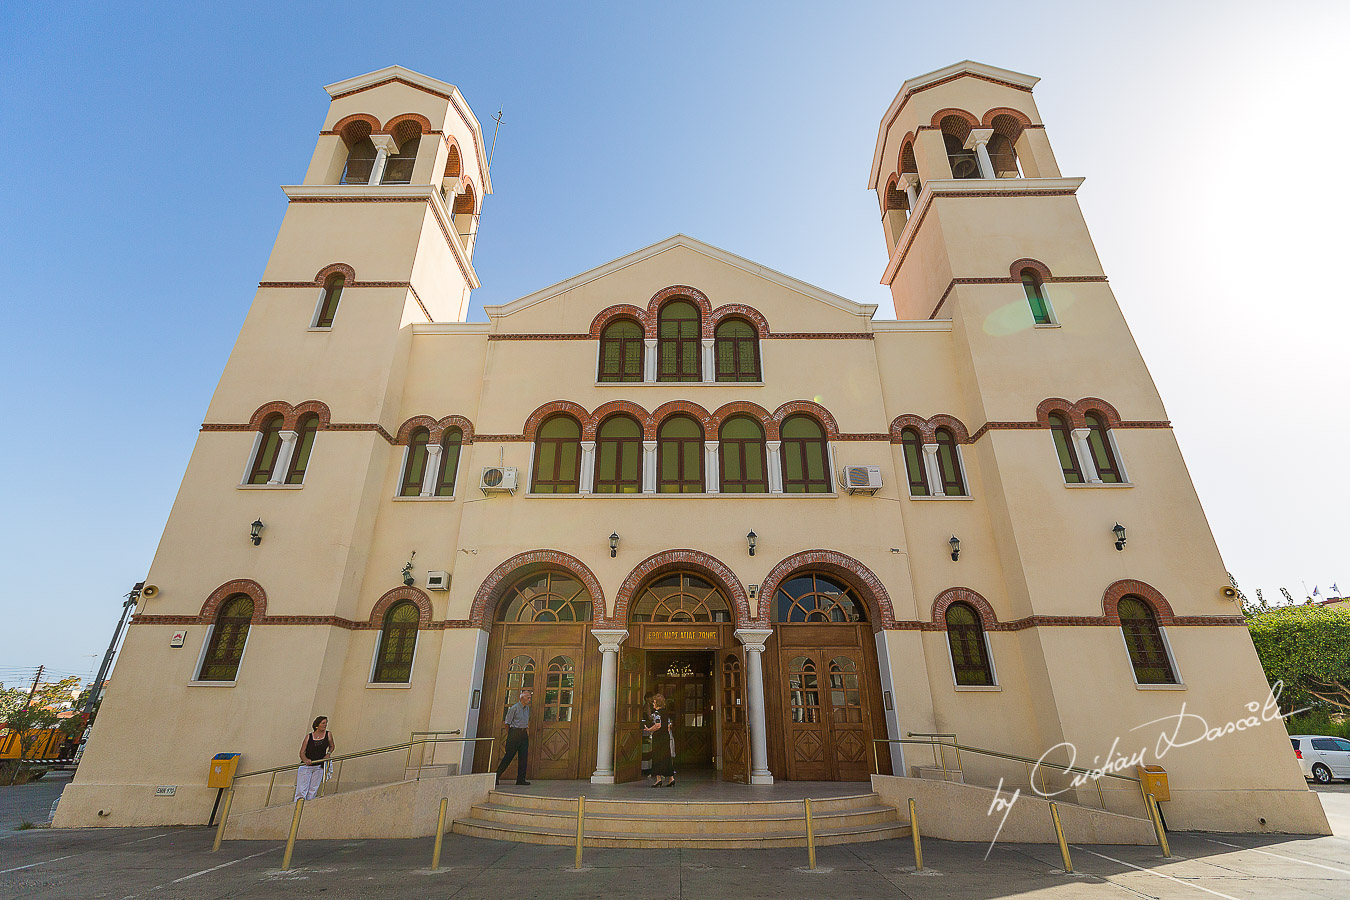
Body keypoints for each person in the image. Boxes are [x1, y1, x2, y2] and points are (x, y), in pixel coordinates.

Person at [495, 688, 533, 785]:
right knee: (509, 756)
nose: (529, 700)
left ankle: (521, 779)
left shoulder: (527, 708)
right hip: (514, 733)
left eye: (530, 698)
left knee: (523, 757)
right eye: (528, 698)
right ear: (522, 698)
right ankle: (496, 776)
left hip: (523, 733)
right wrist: (511, 734)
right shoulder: (514, 708)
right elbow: (507, 723)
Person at [295, 716, 334, 801]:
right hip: (307, 766)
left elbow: (332, 746)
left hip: (319, 765)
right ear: (317, 725)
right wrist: (305, 760)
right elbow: (302, 752)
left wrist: (328, 754)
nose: (325, 725)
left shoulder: (328, 734)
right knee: (302, 788)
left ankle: (309, 804)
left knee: (313, 788)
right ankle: (298, 805)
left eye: (326, 723)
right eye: (323, 723)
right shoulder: (309, 736)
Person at [644, 693, 675, 787]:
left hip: (658, 737)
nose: (653, 704)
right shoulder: (666, 712)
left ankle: (658, 779)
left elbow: (658, 725)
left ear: (657, 703)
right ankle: (671, 779)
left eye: (654, 702)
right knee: (666, 757)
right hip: (666, 737)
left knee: (657, 757)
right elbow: (669, 726)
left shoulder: (657, 713)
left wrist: (649, 730)